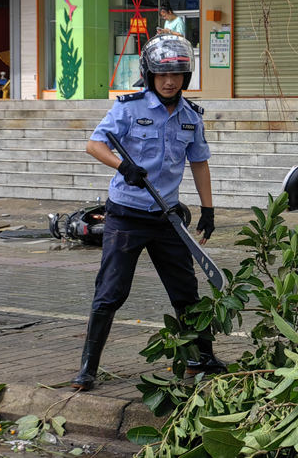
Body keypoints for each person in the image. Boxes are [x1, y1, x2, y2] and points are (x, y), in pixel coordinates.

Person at [71, 34, 224, 391]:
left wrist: (209, 210)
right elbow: (94, 144)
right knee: (111, 292)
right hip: (126, 216)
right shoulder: (129, 107)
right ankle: (87, 369)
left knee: (186, 291)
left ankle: (201, 358)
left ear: (186, 77)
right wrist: (123, 166)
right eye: (161, 75)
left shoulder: (191, 116)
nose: (169, 82)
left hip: (167, 218)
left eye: (177, 76)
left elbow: (199, 162)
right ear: (149, 74)